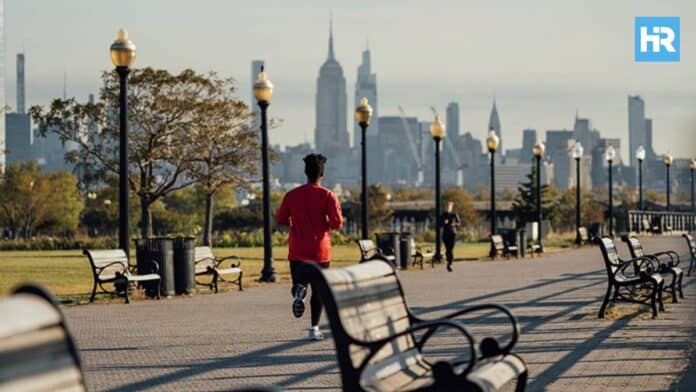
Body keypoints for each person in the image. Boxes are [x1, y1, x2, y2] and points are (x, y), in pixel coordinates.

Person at [276, 153, 343, 340]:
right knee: (319, 290)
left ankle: (299, 293)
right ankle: (314, 329)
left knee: (299, 282)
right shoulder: (329, 196)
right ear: (322, 174)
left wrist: (296, 223)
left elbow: (281, 219)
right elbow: (337, 223)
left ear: (305, 172)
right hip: (320, 250)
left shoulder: (291, 195)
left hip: (297, 248)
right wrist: (325, 222)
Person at [440, 201, 460, 272]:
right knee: (448, 250)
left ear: (451, 207)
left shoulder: (454, 215)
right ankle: (449, 261)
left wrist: (454, 224)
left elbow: (459, 223)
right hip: (445, 234)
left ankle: (449, 263)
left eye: (449, 207)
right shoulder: (443, 215)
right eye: (446, 207)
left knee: (450, 249)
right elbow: (439, 224)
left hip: (452, 234)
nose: (447, 208)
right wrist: (443, 222)